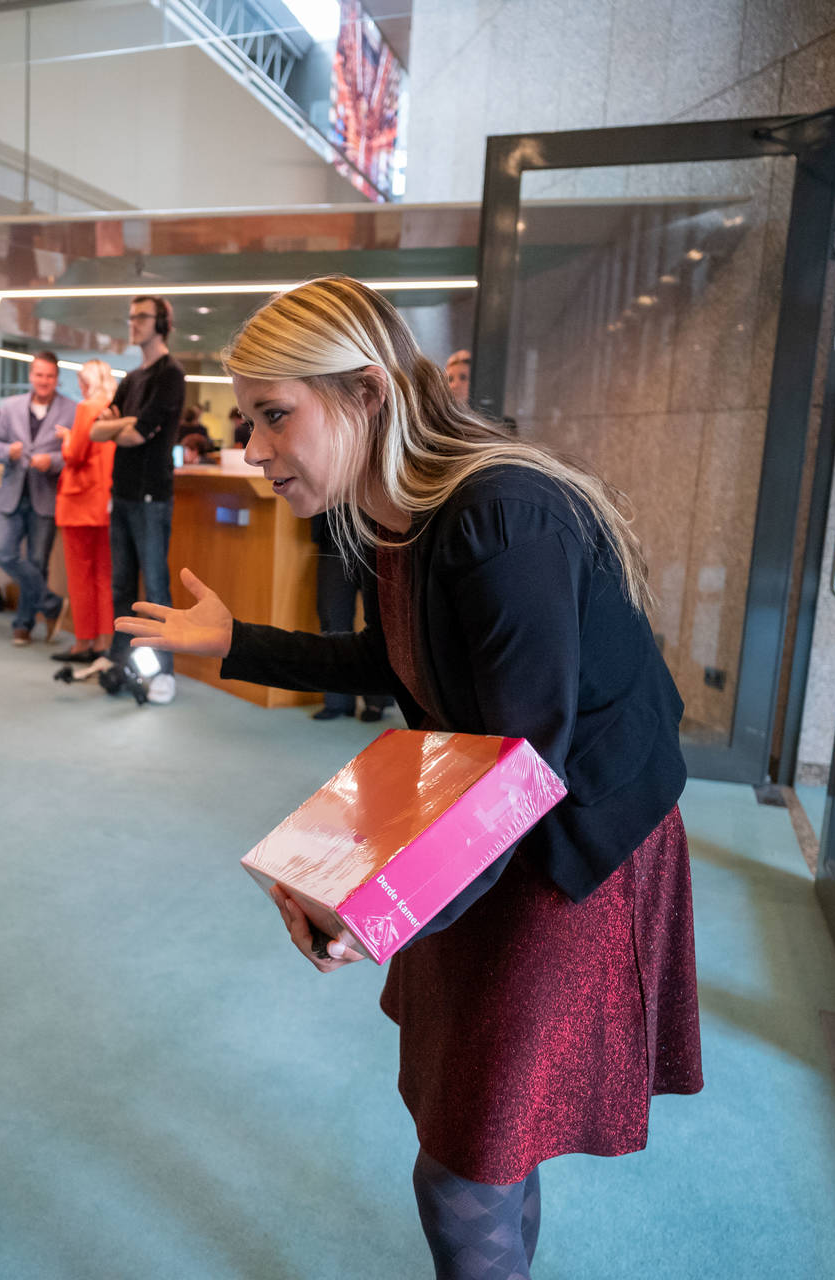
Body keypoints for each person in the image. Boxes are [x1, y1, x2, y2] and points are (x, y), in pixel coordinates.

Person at [116, 276, 699, 1280]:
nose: (253, 451)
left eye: (274, 417)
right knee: (484, 1126)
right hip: (489, 827)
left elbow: (526, 765)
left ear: (368, 393)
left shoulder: (502, 515)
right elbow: (396, 665)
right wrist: (235, 640)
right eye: (247, 419)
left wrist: (380, 909)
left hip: (567, 848)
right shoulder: (402, 511)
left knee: (465, 1165)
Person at [91, 294, 186, 704]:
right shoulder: (131, 379)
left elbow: (132, 434)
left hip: (151, 496)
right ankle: (121, 662)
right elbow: (96, 431)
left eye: (141, 317)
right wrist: (122, 425)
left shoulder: (171, 374)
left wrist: (121, 425)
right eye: (130, 317)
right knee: (122, 587)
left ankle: (164, 672)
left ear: (162, 322)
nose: (133, 323)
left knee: (156, 591)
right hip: (122, 493)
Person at [0, 351, 73, 645]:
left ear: (57, 378)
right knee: (1, 551)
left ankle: (23, 624)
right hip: (12, 493)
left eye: (49, 375)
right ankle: (51, 603)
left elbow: (76, 453)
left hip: (45, 495)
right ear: (30, 376)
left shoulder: (71, 410)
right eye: (39, 374)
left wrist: (53, 461)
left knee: (37, 563)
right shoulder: (10, 406)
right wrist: (5, 452)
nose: (44, 380)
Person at [53, 359, 118, 667]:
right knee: (104, 576)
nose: (78, 386)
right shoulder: (113, 410)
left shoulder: (86, 409)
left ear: (88, 381)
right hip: (106, 503)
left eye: (80, 380)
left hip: (79, 503)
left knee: (80, 577)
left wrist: (67, 438)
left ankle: (83, 642)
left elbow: (75, 455)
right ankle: (105, 641)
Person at [309, 510, 392, 723]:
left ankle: (376, 700)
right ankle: (337, 701)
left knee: (378, 620)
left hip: (377, 535)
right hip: (334, 534)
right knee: (331, 615)